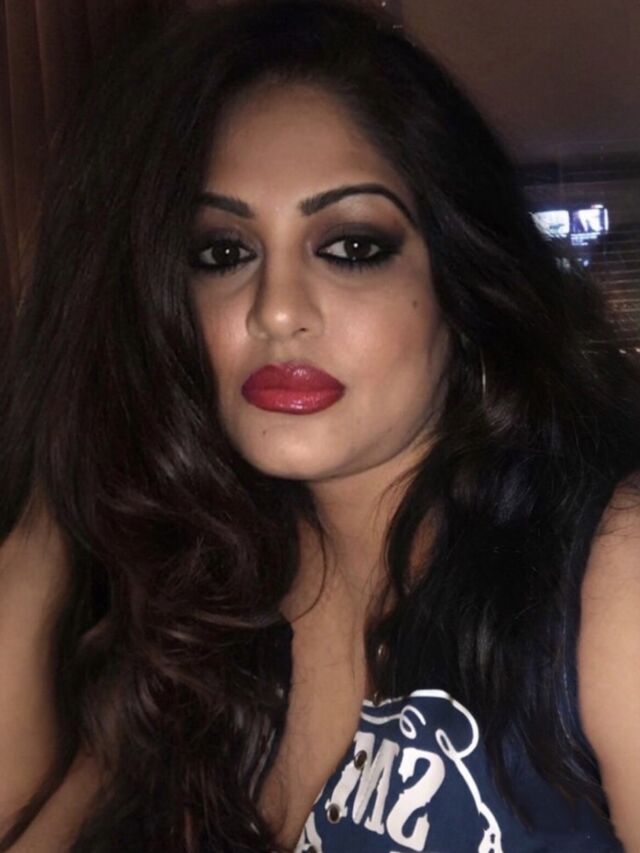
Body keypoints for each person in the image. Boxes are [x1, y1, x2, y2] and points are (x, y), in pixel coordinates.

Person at [1, 1, 639, 850]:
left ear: (462, 285)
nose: (276, 310)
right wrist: (55, 502)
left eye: (352, 247)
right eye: (224, 252)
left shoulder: (604, 567)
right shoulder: (206, 615)